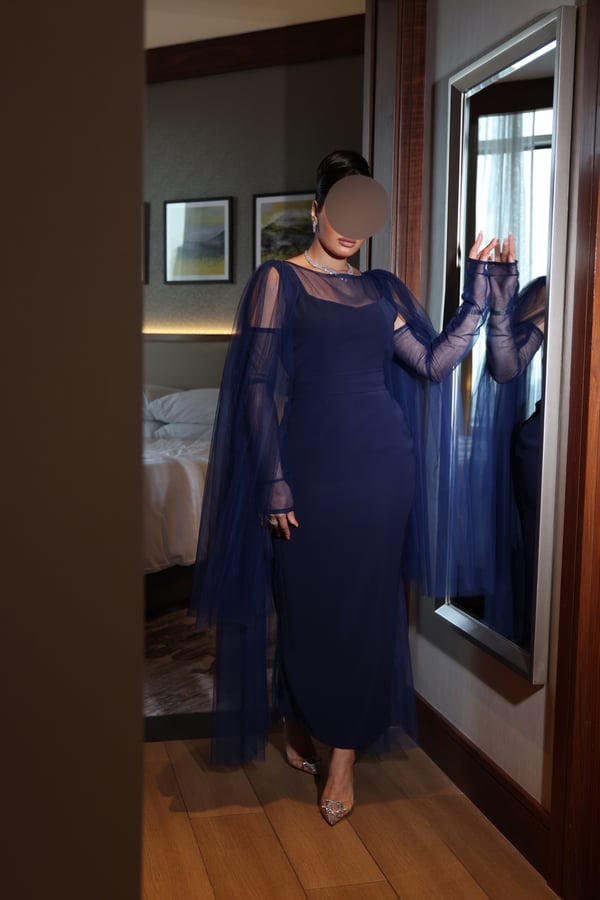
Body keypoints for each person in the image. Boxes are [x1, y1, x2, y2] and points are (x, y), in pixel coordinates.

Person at [191, 149, 517, 826]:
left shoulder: (381, 290)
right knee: (304, 604)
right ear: (317, 211)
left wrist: (476, 301)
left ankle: (343, 757)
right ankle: (300, 714)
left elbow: (432, 363)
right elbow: (255, 388)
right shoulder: (279, 280)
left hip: (381, 470)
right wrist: (274, 480)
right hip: (307, 469)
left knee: (367, 609)